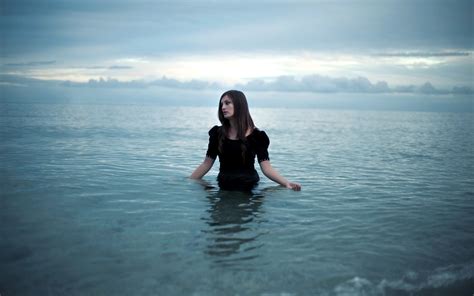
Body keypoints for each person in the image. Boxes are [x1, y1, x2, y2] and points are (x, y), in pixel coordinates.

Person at [190, 90, 301, 191]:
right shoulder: (217, 134)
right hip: (223, 185)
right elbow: (206, 164)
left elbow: (266, 168)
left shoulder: (257, 136)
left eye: (227, 103)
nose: (223, 107)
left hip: (249, 187)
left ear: (239, 105)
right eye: (221, 104)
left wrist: (286, 183)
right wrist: (187, 183)